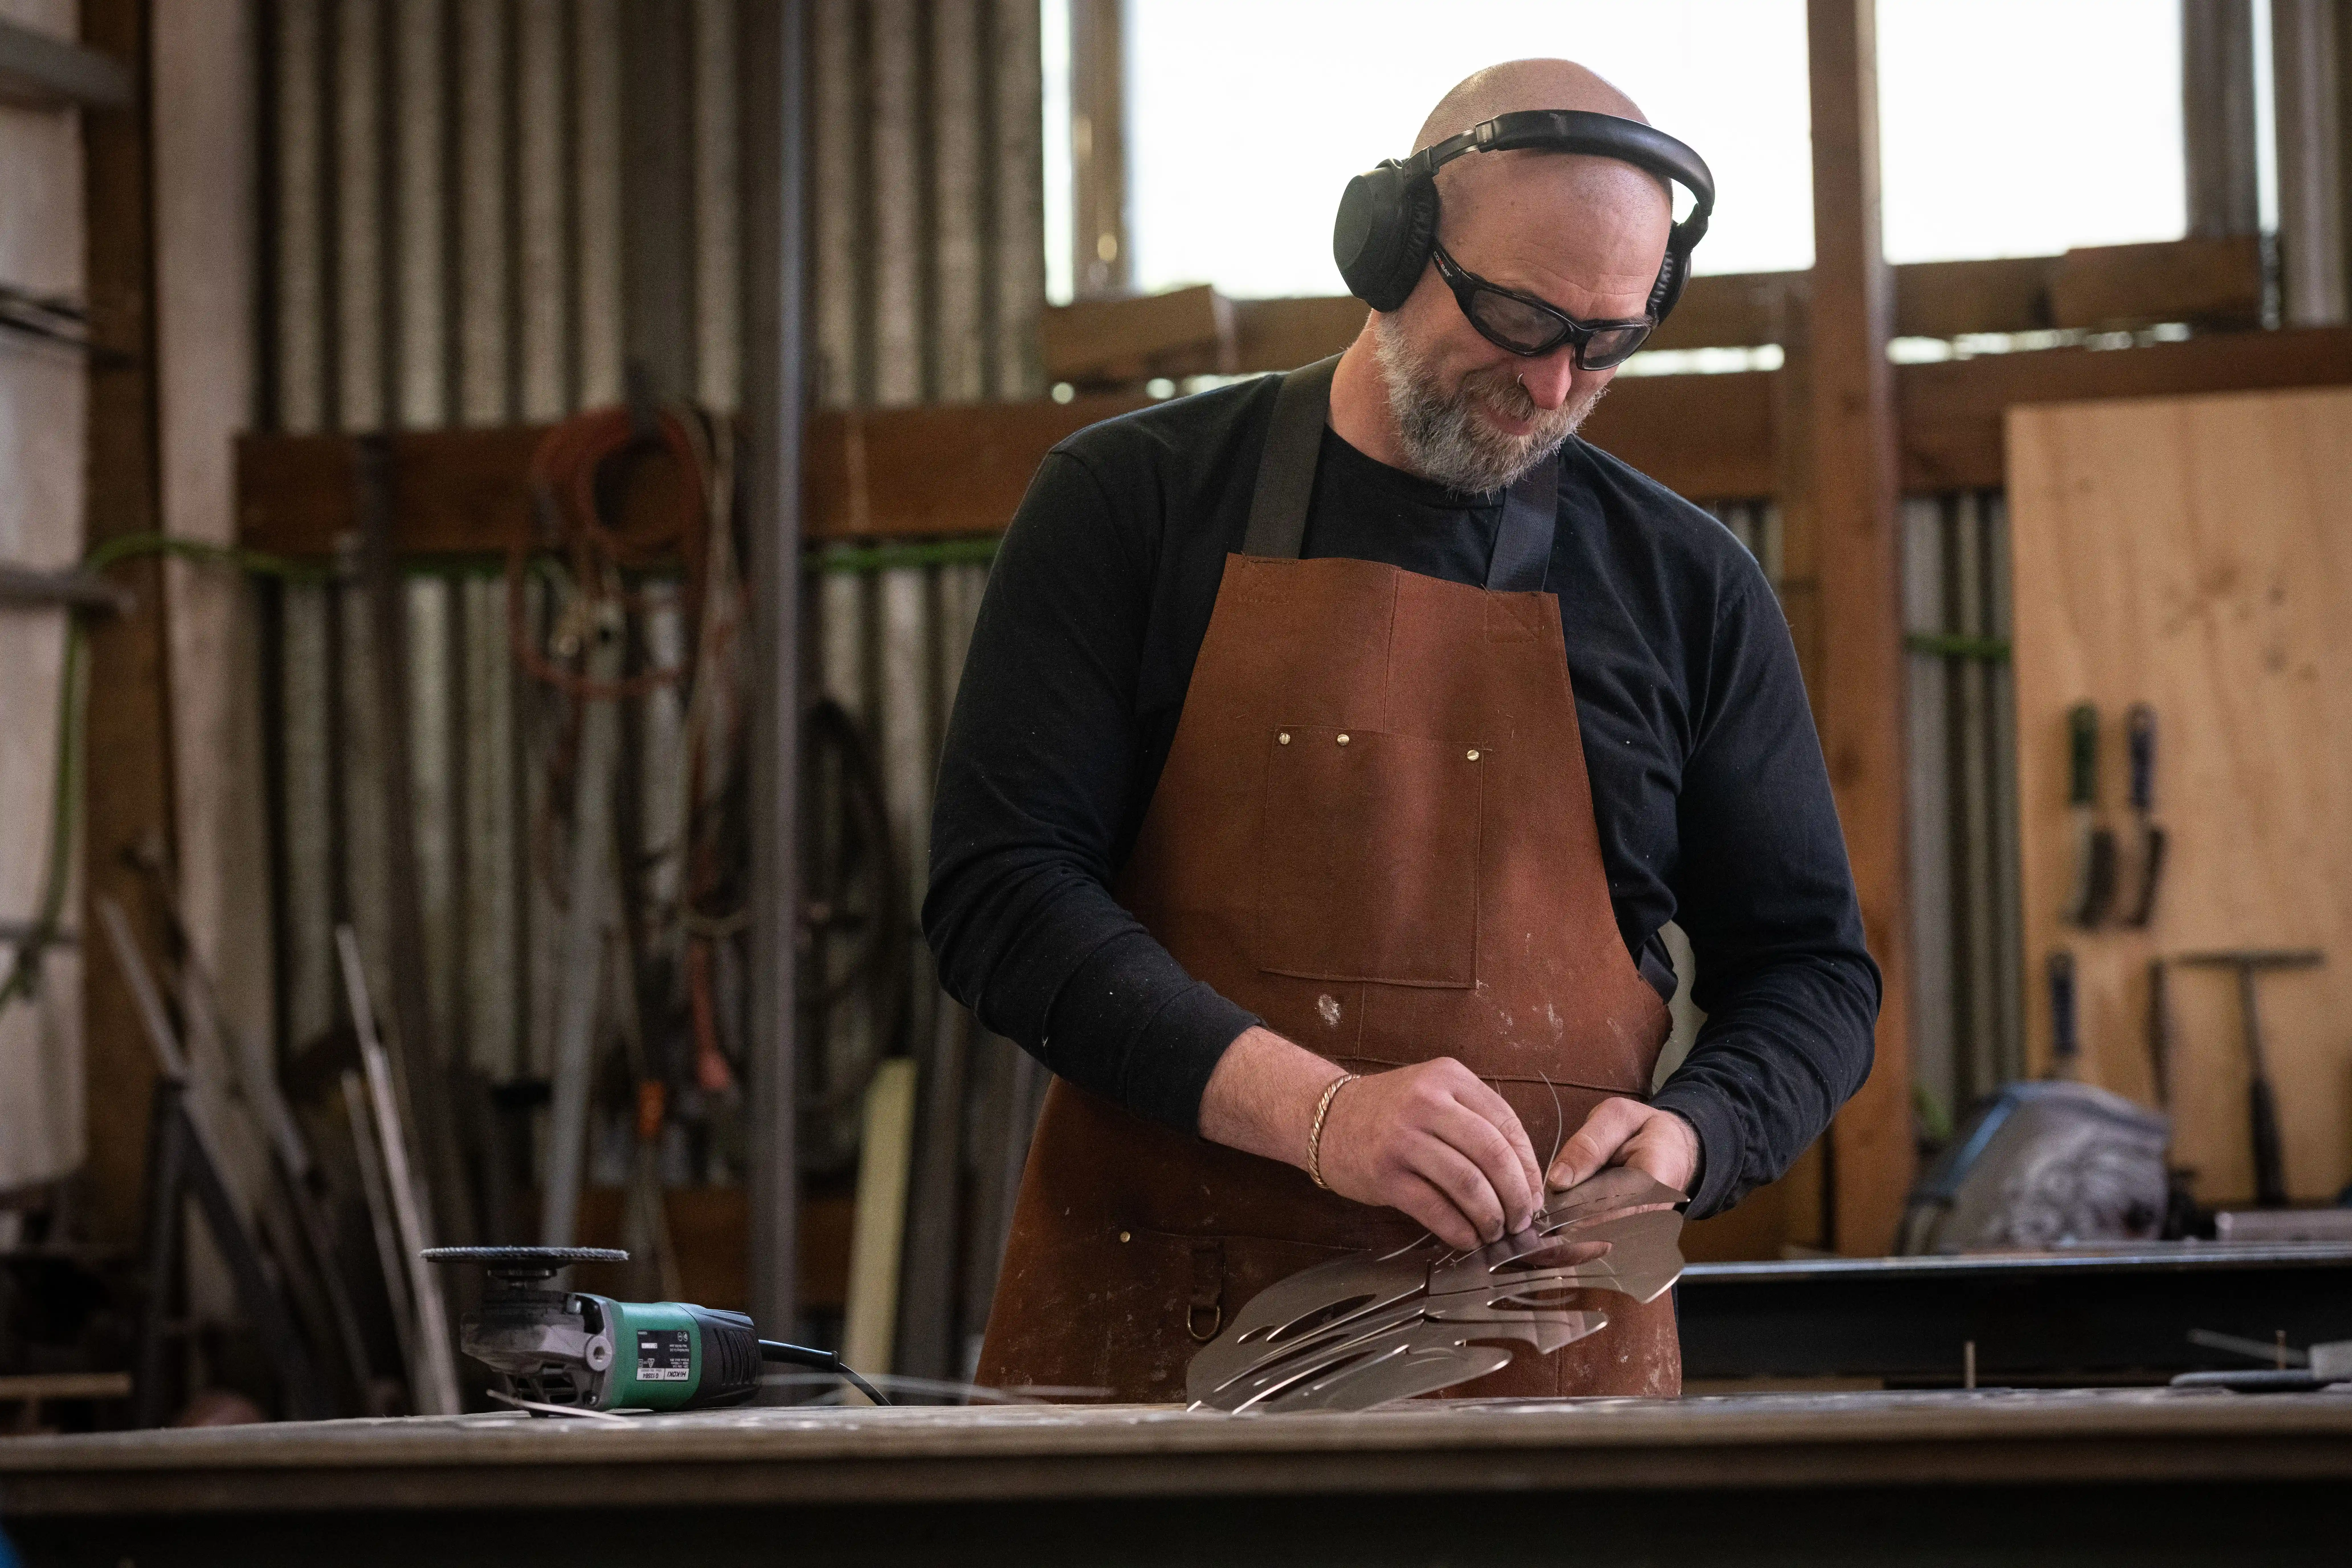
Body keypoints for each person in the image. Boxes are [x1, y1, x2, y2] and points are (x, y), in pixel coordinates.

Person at [926, 59, 1880, 1401]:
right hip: (1147, 1368)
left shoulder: (1688, 585)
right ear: (1389, 246)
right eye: (1520, 318)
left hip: (1544, 1386)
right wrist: (1320, 1111)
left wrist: (1693, 1135)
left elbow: (1816, 976)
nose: (1555, 387)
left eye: (1606, 342)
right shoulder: (1129, 502)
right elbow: (998, 895)